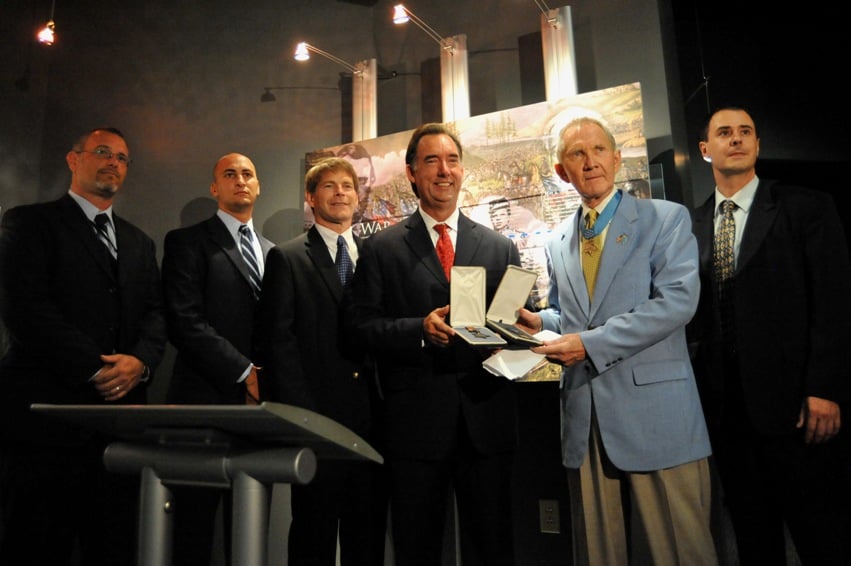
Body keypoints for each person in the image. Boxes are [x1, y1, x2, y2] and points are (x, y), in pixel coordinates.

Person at [517, 116, 717, 566]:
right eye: (577, 154)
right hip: (586, 414)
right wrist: (539, 321)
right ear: (561, 170)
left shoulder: (664, 219)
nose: (590, 163)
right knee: (596, 553)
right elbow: (573, 315)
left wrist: (588, 344)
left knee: (679, 551)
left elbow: (676, 304)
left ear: (617, 157)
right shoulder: (557, 240)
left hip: (656, 414)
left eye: (599, 150)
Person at [344, 122, 522, 566]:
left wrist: (519, 332)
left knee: (493, 545)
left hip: (486, 419)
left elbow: (517, 320)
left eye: (452, 160)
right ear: (411, 173)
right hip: (415, 427)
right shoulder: (381, 248)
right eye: (431, 161)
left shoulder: (500, 247)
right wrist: (416, 330)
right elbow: (359, 327)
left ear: (463, 171)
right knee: (417, 547)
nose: (444, 171)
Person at [687, 106, 851, 565]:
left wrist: (823, 388)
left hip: (798, 411)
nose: (736, 139)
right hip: (725, 414)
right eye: (724, 133)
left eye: (746, 132)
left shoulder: (805, 206)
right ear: (705, 150)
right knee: (753, 541)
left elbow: (833, 303)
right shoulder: (690, 226)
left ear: (758, 145)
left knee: (821, 536)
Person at [0, 127, 167, 565]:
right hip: (45, 423)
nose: (114, 162)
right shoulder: (29, 222)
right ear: (74, 160)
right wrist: (100, 368)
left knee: (112, 546)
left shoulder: (139, 242)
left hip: (119, 427)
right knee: (35, 544)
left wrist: (141, 363)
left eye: (123, 158)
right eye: (103, 152)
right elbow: (25, 310)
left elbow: (156, 314)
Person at [254, 157, 386, 566]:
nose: (341, 192)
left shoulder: (377, 255)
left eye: (348, 185)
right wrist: (302, 419)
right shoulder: (288, 257)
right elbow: (278, 343)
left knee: (368, 532)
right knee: (314, 530)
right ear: (311, 198)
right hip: (317, 421)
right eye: (329, 186)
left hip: (375, 420)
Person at [160, 152, 272, 565]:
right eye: (230, 174)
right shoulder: (186, 241)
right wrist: (244, 372)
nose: (240, 180)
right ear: (214, 188)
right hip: (202, 400)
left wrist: (267, 379)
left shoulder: (273, 251)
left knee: (250, 529)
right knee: (194, 526)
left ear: (258, 186)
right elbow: (184, 321)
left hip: (261, 410)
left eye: (248, 174)